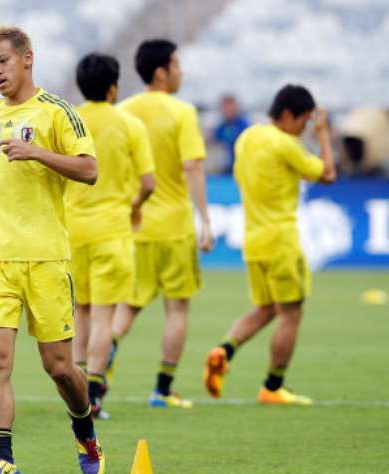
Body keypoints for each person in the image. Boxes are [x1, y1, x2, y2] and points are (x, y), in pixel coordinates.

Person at [0, 26, 104, 474]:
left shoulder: (57, 111)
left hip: (46, 258)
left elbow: (89, 169)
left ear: (28, 59)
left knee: (59, 368)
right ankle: (0, 459)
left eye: (3, 62)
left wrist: (38, 153)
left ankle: (84, 426)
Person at [204, 85, 336, 405]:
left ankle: (224, 350)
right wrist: (322, 134)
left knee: (266, 309)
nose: (305, 128)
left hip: (253, 239)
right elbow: (328, 174)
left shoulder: (247, 137)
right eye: (304, 121)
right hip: (281, 240)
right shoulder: (286, 144)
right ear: (288, 115)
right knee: (291, 313)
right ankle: (273, 387)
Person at [114, 39, 214, 408]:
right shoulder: (182, 112)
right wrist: (205, 220)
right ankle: (162, 389)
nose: (181, 71)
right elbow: (193, 166)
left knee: (125, 307)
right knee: (177, 309)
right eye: (176, 64)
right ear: (161, 72)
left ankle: (99, 371)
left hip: (134, 224)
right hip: (173, 225)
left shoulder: (122, 111)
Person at [66, 53, 155, 419]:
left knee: (79, 316)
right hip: (112, 230)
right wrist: (134, 206)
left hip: (70, 232)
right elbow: (149, 183)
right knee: (104, 319)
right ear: (114, 86)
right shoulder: (129, 124)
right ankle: (96, 394)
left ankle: (74, 394)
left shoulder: (67, 119)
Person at [213, 94, 250, 175]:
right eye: (225, 108)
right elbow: (214, 141)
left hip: (243, 167)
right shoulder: (221, 126)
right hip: (226, 169)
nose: (228, 110)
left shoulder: (244, 126)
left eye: (231, 107)